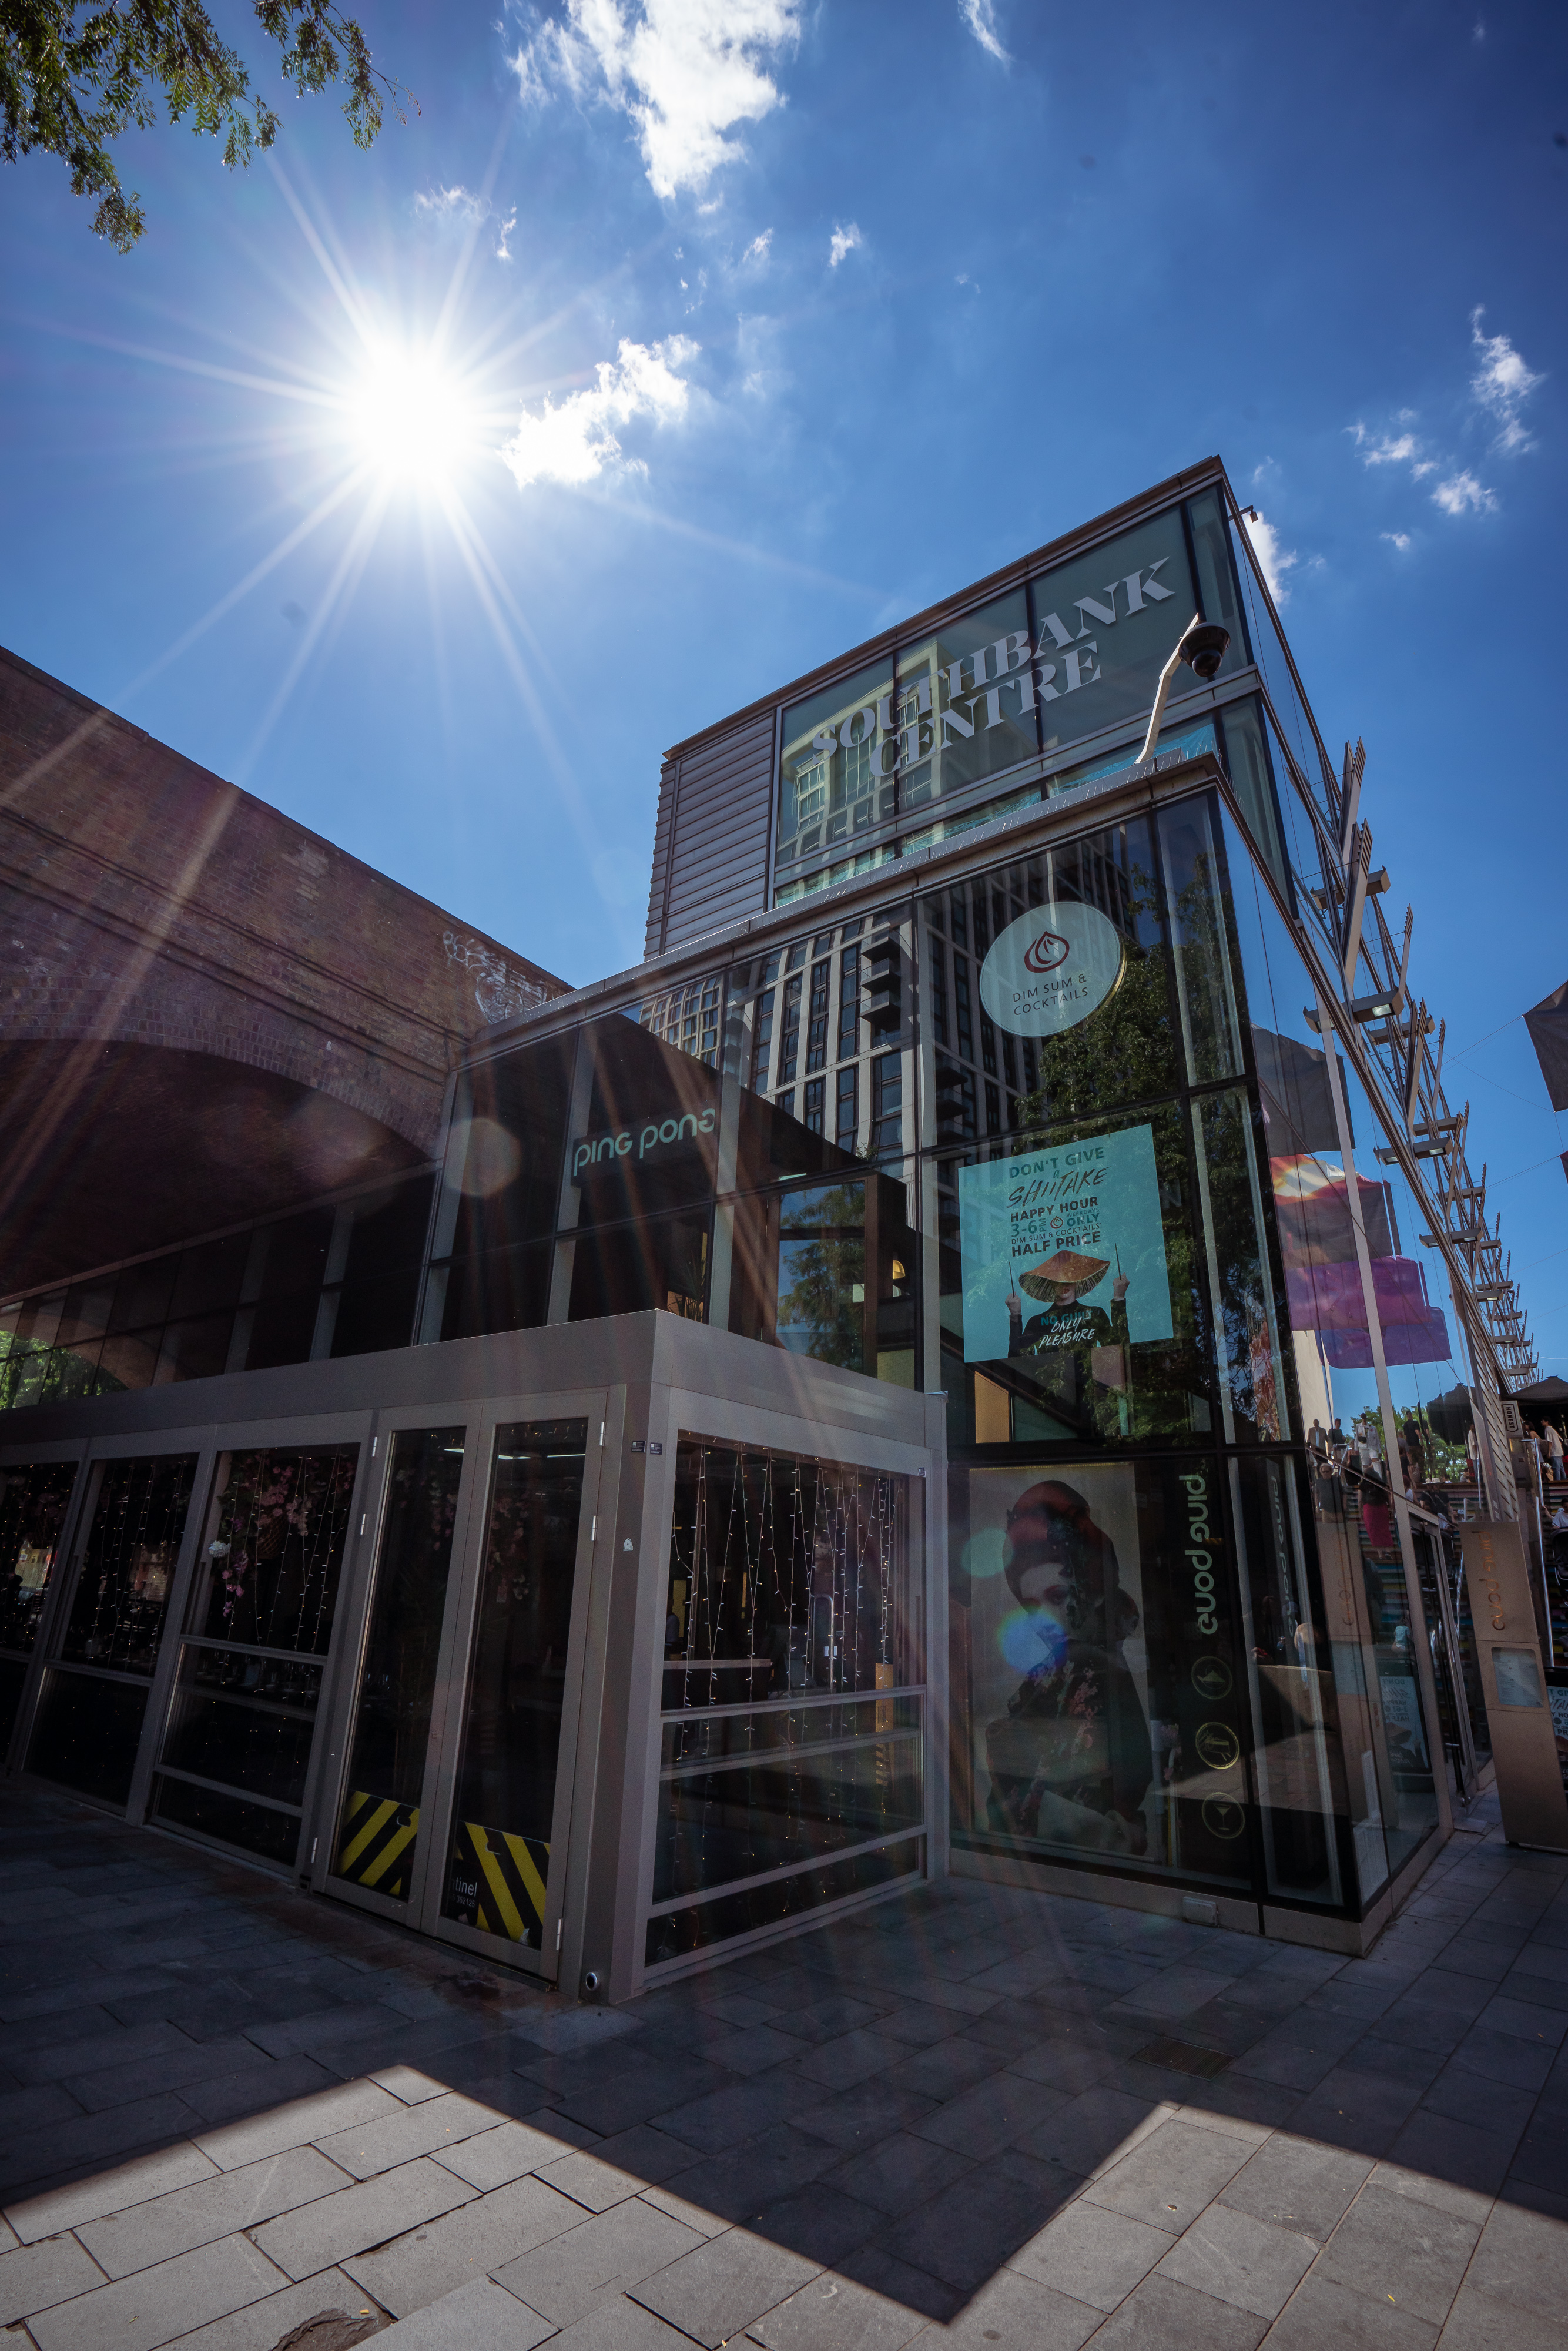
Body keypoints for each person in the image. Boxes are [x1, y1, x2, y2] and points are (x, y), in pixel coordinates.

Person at [984, 1478, 1152, 1856]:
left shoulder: (1089, 1668)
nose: (1044, 1619)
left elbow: (1113, 1784)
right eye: (1030, 1606)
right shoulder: (1059, 1671)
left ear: (1092, 1590)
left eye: (1058, 1596)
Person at [1006, 1250, 1130, 1417]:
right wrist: (1015, 1316)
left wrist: (1119, 1299)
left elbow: (1118, 1349)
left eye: (1069, 1279)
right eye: (1057, 1280)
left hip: (1091, 1398)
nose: (1063, 1285)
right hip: (1051, 1403)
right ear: (1050, 1284)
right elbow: (1016, 1360)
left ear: (1076, 1281)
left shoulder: (1095, 1314)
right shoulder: (1037, 1322)